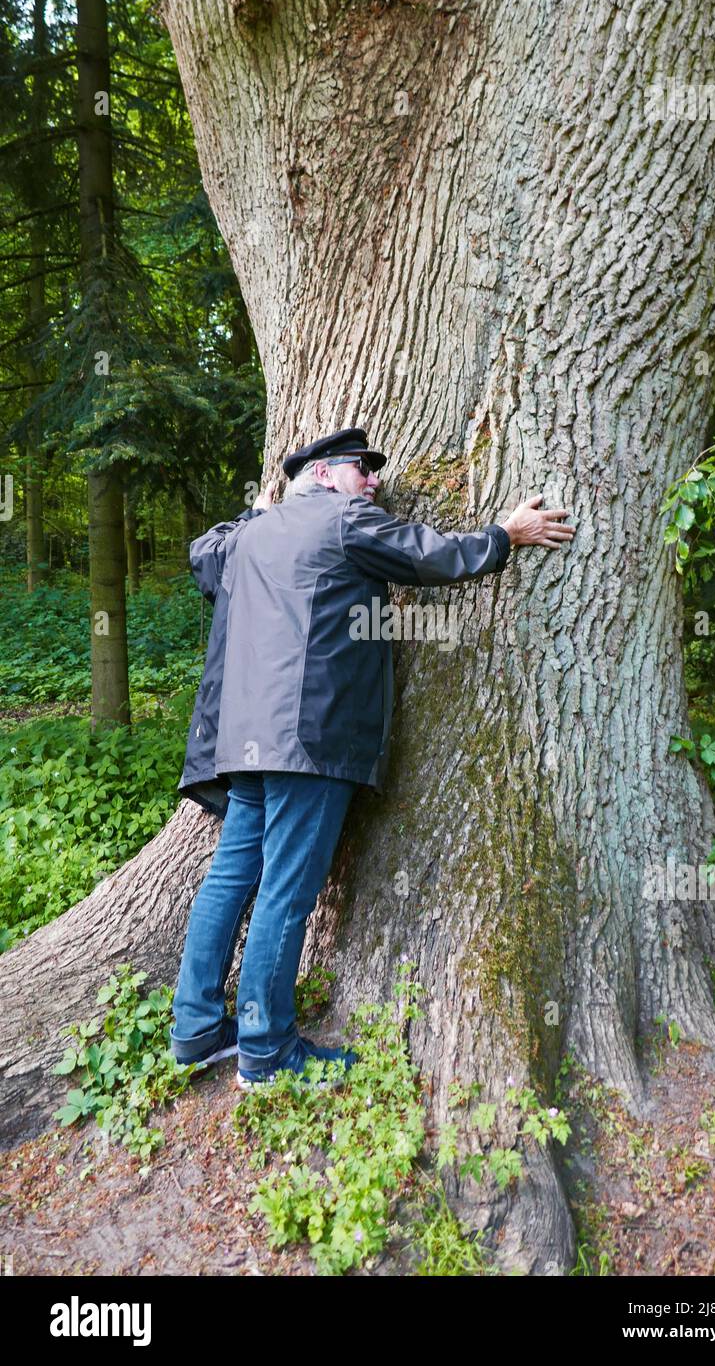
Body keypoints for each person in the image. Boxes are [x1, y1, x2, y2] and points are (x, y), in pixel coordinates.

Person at [169, 427, 575, 1089]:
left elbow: (202, 555)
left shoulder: (247, 535)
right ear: (325, 475)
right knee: (284, 892)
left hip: (242, 740)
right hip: (308, 740)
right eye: (363, 468)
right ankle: (266, 1055)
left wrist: (260, 510)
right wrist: (506, 533)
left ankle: (195, 1030)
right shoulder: (343, 518)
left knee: (231, 879)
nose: (374, 480)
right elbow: (435, 558)